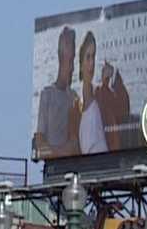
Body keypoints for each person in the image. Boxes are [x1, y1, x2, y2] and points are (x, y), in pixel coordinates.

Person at [34, 27, 81, 158]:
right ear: (60, 56)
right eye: (67, 58)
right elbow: (40, 144)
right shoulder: (47, 95)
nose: (71, 67)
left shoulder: (74, 97)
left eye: (72, 58)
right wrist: (59, 152)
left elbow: (75, 143)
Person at [77, 31, 108, 154]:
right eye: (88, 57)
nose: (92, 63)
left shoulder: (100, 98)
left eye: (94, 57)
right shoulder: (76, 106)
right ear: (80, 63)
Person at [98, 61, 131, 151]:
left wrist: (107, 81)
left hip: (116, 140)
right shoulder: (111, 91)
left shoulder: (116, 92)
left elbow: (120, 108)